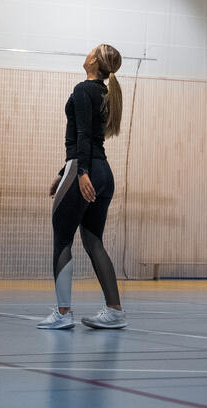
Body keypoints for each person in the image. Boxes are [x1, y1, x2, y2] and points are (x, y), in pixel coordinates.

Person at [37, 44, 127, 330]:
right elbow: (88, 138)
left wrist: (79, 172)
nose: (86, 53)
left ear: (92, 61)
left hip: (86, 169)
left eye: (91, 51)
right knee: (93, 241)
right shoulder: (104, 92)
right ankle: (114, 311)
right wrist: (66, 170)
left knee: (63, 239)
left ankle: (63, 314)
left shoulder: (82, 89)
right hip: (103, 173)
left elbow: (83, 136)